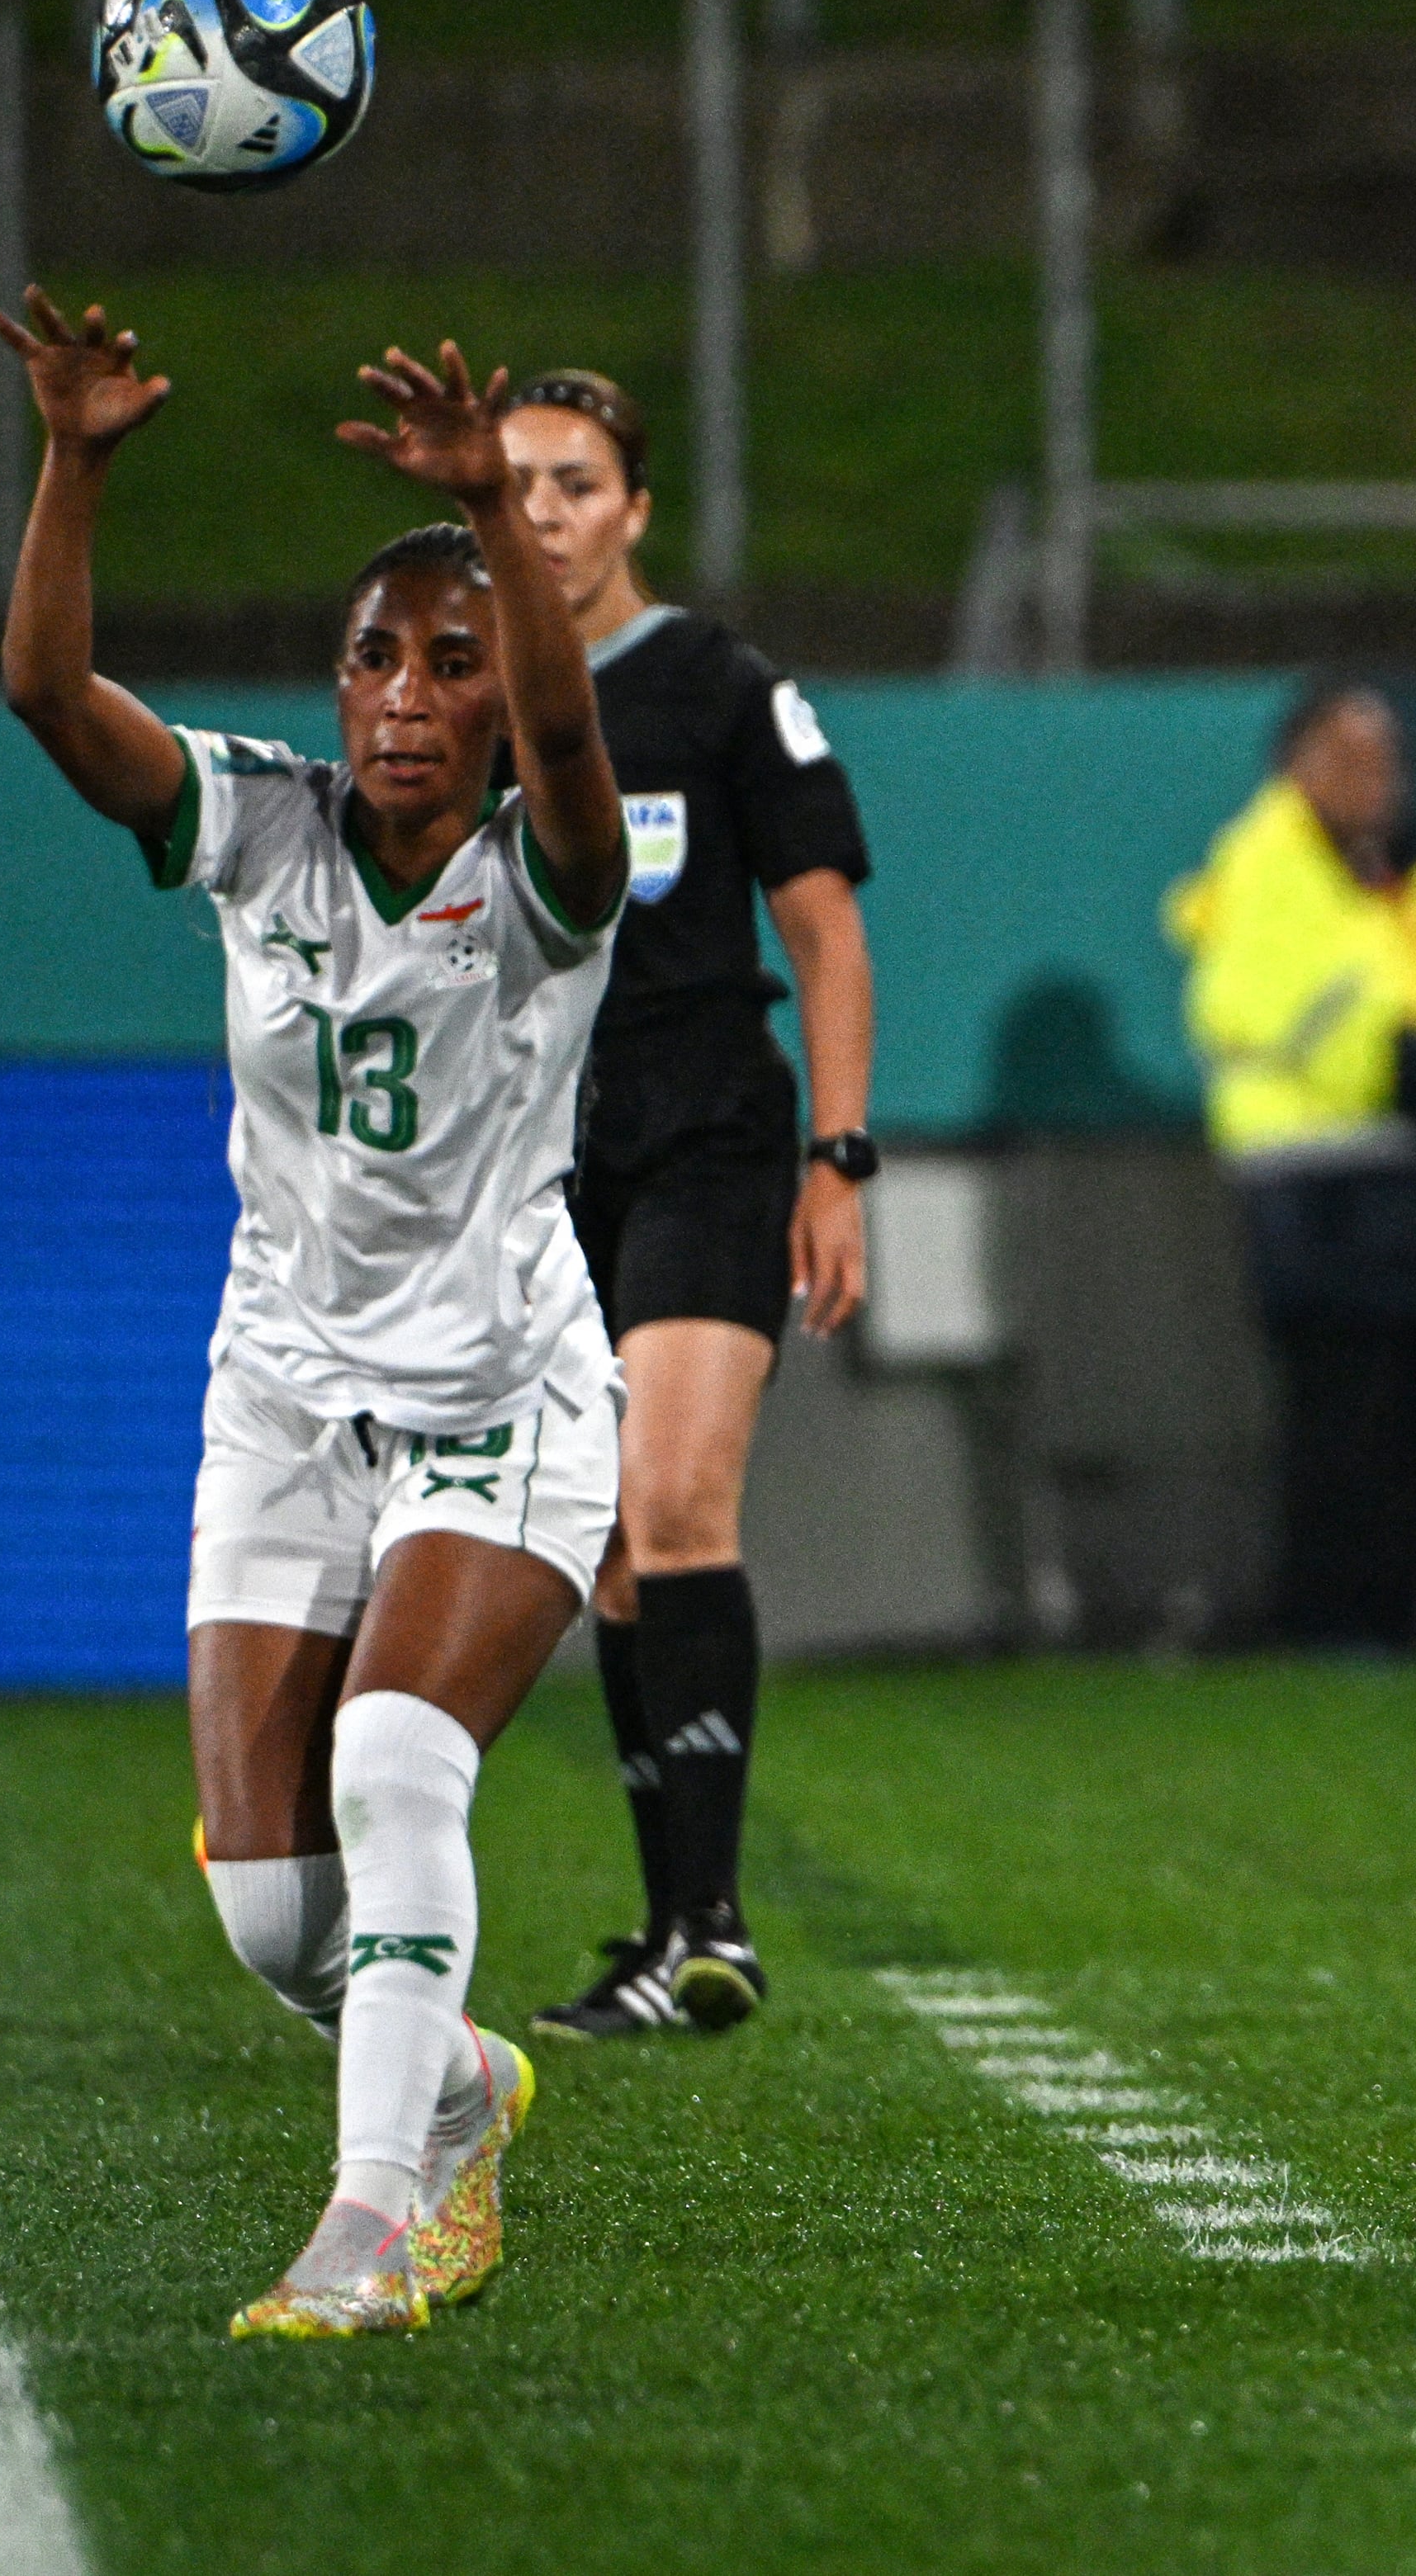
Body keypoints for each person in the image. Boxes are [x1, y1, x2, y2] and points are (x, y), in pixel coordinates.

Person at [0, 288, 627, 2337]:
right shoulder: (255, 827)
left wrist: (495, 536)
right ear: (329, 685)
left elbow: (579, 747)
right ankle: (455, 2085)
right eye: (376, 655)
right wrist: (76, 460)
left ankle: (367, 2228)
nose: (409, 693)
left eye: (452, 660)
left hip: (499, 1402)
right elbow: (45, 693)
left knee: (393, 1769)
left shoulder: (550, 878)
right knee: (278, 1919)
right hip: (282, 1395)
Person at [485, 371, 878, 2045]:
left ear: (634, 506)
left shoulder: (719, 686)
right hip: (530, 1153)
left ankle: (714, 1922)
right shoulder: (457, 678)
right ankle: (667, 1928)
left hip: (708, 1126)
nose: (551, 512)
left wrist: (840, 1160)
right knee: (609, 1556)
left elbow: (826, 933)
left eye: (577, 482)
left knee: (673, 1492)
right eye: (517, 487)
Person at [1165, 681, 1416, 1648]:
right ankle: (1329, 1625)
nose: (1379, 783)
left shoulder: (1413, 878)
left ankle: (1395, 1622)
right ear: (1297, 766)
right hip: (1318, 1188)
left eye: (1388, 762)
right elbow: (1313, 1022)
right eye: (1352, 761)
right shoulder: (1265, 869)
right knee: (1343, 1414)